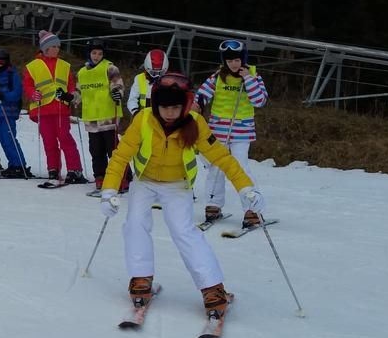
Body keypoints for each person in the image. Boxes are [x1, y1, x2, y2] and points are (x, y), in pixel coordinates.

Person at [97, 72, 266, 321]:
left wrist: (246, 188)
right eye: (164, 107)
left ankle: (212, 288)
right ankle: (141, 277)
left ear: (184, 105)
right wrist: (109, 190)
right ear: (156, 104)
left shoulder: (195, 123)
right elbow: (121, 155)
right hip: (145, 183)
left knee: (184, 231)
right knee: (134, 224)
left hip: (177, 186)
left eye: (175, 107)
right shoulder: (143, 119)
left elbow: (221, 158)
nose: (169, 113)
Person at [196, 39, 269, 228]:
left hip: (241, 131)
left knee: (240, 167)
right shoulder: (217, 77)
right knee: (216, 166)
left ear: (243, 59)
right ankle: (213, 205)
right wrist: (196, 108)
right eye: (229, 61)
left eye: (237, 60)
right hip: (219, 129)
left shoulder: (253, 76)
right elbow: (201, 95)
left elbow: (260, 101)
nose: (234, 64)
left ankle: (251, 209)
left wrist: (248, 80)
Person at [22, 30, 84, 182]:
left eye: (58, 46)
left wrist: (70, 95)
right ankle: (53, 169)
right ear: (46, 48)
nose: (57, 49)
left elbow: (70, 85)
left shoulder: (64, 65)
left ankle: (75, 170)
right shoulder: (32, 66)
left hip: (60, 108)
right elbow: (28, 84)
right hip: (42, 109)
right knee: (48, 141)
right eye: (54, 46)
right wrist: (32, 94)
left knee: (65, 139)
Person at [76, 38, 125, 190]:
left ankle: (123, 177)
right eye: (94, 53)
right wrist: (68, 97)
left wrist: (117, 93)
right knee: (96, 150)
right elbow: (79, 94)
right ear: (88, 54)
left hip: (108, 117)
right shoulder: (82, 73)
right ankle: (100, 177)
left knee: (114, 150)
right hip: (91, 119)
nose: (96, 56)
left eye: (99, 53)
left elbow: (118, 85)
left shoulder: (110, 68)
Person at [0, 48, 32, 178]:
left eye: (2, 62)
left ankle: (19, 165)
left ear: (7, 62)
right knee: (2, 140)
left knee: (9, 139)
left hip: (8, 114)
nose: (0, 64)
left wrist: (3, 95)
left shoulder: (13, 76)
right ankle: (13, 164)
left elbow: (17, 94)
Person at [126, 49, 167, 115]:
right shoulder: (139, 79)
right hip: (143, 116)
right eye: (153, 72)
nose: (156, 75)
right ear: (147, 68)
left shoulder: (168, 80)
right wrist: (135, 112)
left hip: (162, 116)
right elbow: (132, 100)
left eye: (160, 72)